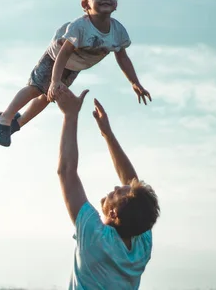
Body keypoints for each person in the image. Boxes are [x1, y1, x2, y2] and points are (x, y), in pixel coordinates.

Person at [0, 0, 151, 147]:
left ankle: (17, 123)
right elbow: (64, 52)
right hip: (56, 58)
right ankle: (4, 118)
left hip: (75, 66)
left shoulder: (118, 31)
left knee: (48, 97)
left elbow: (122, 57)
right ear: (85, 4)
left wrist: (135, 83)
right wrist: (54, 81)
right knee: (36, 89)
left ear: (116, 3)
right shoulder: (80, 27)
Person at [53, 87, 160, 289]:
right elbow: (132, 183)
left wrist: (70, 115)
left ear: (113, 212)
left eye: (116, 192)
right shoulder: (141, 244)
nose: (114, 187)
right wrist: (107, 134)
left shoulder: (95, 237)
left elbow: (66, 172)